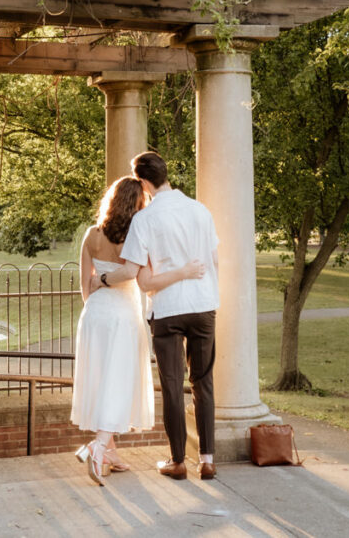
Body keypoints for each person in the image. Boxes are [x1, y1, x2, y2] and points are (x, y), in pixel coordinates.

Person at [71, 176, 205, 486]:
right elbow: (140, 277)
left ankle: (110, 453)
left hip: (94, 315)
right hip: (122, 315)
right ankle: (99, 446)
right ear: (138, 204)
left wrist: (99, 287)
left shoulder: (91, 235)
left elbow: (85, 287)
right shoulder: (137, 234)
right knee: (117, 381)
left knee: (101, 379)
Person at [98, 151, 220, 481]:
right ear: (165, 174)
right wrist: (209, 295)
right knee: (203, 382)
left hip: (167, 310)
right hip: (204, 305)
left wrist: (104, 280)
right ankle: (207, 460)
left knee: (171, 385)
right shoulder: (200, 210)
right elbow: (214, 260)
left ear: (143, 182)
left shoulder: (145, 220)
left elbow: (137, 275)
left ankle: (177, 460)